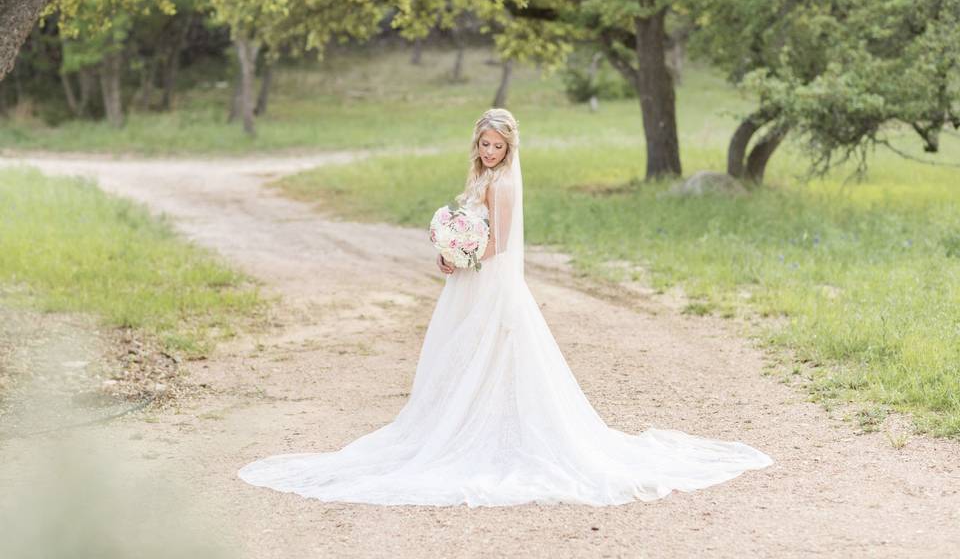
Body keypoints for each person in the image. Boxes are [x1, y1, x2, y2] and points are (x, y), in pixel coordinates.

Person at [238, 108, 772, 507]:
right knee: (457, 356)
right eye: (484, 144)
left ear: (508, 148)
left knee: (492, 354)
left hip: (491, 281)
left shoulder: (506, 185)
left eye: (497, 146)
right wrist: (450, 255)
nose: (490, 152)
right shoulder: (480, 178)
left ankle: (498, 429)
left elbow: (500, 242)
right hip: (468, 279)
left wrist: (466, 254)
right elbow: (471, 229)